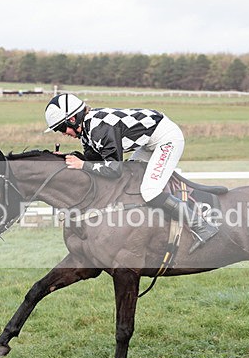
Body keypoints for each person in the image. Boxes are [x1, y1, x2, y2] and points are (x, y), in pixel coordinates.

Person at [44, 93, 218, 252]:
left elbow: (113, 169)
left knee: (150, 191)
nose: (63, 134)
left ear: (72, 119)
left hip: (166, 139)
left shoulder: (100, 129)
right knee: (129, 178)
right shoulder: (87, 130)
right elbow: (94, 160)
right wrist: (67, 158)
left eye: (62, 128)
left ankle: (201, 225)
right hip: (149, 142)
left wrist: (82, 165)